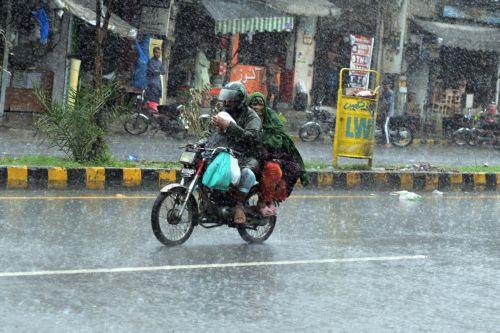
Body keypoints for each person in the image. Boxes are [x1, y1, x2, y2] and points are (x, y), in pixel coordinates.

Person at [247, 92, 309, 216]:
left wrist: (263, 140)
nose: (257, 107)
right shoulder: (245, 115)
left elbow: (278, 135)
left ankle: (264, 201)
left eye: (260, 104)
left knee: (274, 169)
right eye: (254, 104)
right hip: (247, 152)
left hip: (268, 154)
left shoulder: (270, 117)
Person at [211, 82, 262, 224]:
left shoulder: (252, 117)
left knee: (246, 173)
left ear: (240, 99)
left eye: (231, 99)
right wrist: (201, 143)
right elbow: (212, 134)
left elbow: (251, 138)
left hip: (248, 155)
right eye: (225, 98)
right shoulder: (224, 113)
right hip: (229, 152)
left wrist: (230, 127)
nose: (227, 102)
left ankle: (239, 205)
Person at [379, 81, 395, 148]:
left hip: (389, 112)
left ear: (388, 85)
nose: (384, 86)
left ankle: (388, 143)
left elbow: (387, 103)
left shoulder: (390, 93)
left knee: (385, 126)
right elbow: (381, 99)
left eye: (386, 85)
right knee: (383, 126)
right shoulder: (384, 92)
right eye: (384, 85)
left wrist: (382, 109)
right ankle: (384, 140)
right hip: (385, 112)